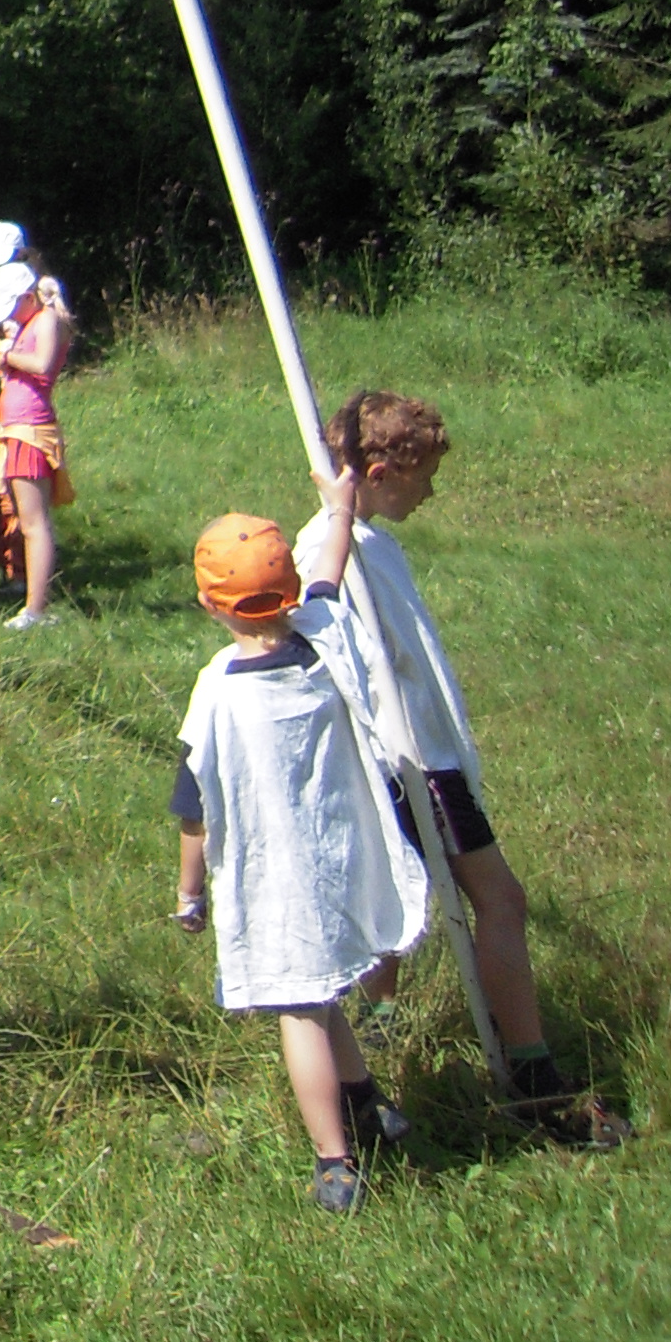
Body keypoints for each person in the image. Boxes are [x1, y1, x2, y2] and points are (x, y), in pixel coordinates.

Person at [294, 391, 629, 1146]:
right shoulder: (330, 548)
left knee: (394, 914)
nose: (432, 493)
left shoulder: (367, 542)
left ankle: (378, 1040)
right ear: (381, 473)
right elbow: (325, 642)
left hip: (422, 759)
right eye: (425, 479)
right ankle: (532, 1075)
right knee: (501, 900)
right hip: (416, 767)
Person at [169, 504, 425, 1212]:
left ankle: (334, 1160)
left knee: (299, 1006)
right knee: (326, 986)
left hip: (277, 879)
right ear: (289, 590)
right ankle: (367, 1103)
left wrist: (190, 894)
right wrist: (338, 505)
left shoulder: (217, 692)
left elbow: (194, 810)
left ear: (209, 604)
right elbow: (330, 574)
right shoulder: (324, 639)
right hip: (342, 860)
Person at [0, 259, 69, 626]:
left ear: (28, 297)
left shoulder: (47, 320)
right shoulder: (30, 323)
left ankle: (35, 608)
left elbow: (43, 363)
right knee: (23, 519)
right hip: (16, 428)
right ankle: (32, 601)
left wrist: (9, 356)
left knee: (34, 523)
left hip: (30, 429)